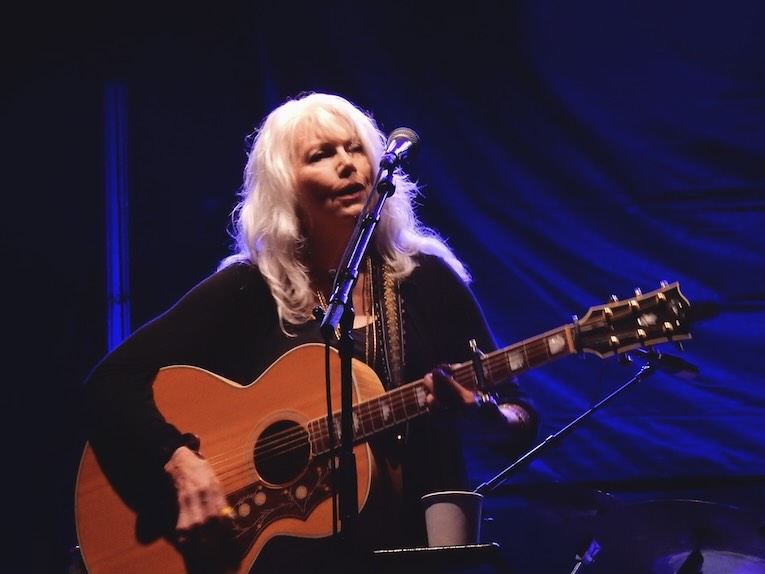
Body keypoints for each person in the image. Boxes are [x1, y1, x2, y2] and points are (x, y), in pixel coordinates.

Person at [79, 91, 539, 574]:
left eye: (354, 148)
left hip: (412, 552)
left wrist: (486, 419)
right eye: (321, 155)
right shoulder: (251, 288)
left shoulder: (428, 281)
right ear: (285, 188)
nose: (347, 164)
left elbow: (520, 413)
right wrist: (180, 463)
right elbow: (110, 383)